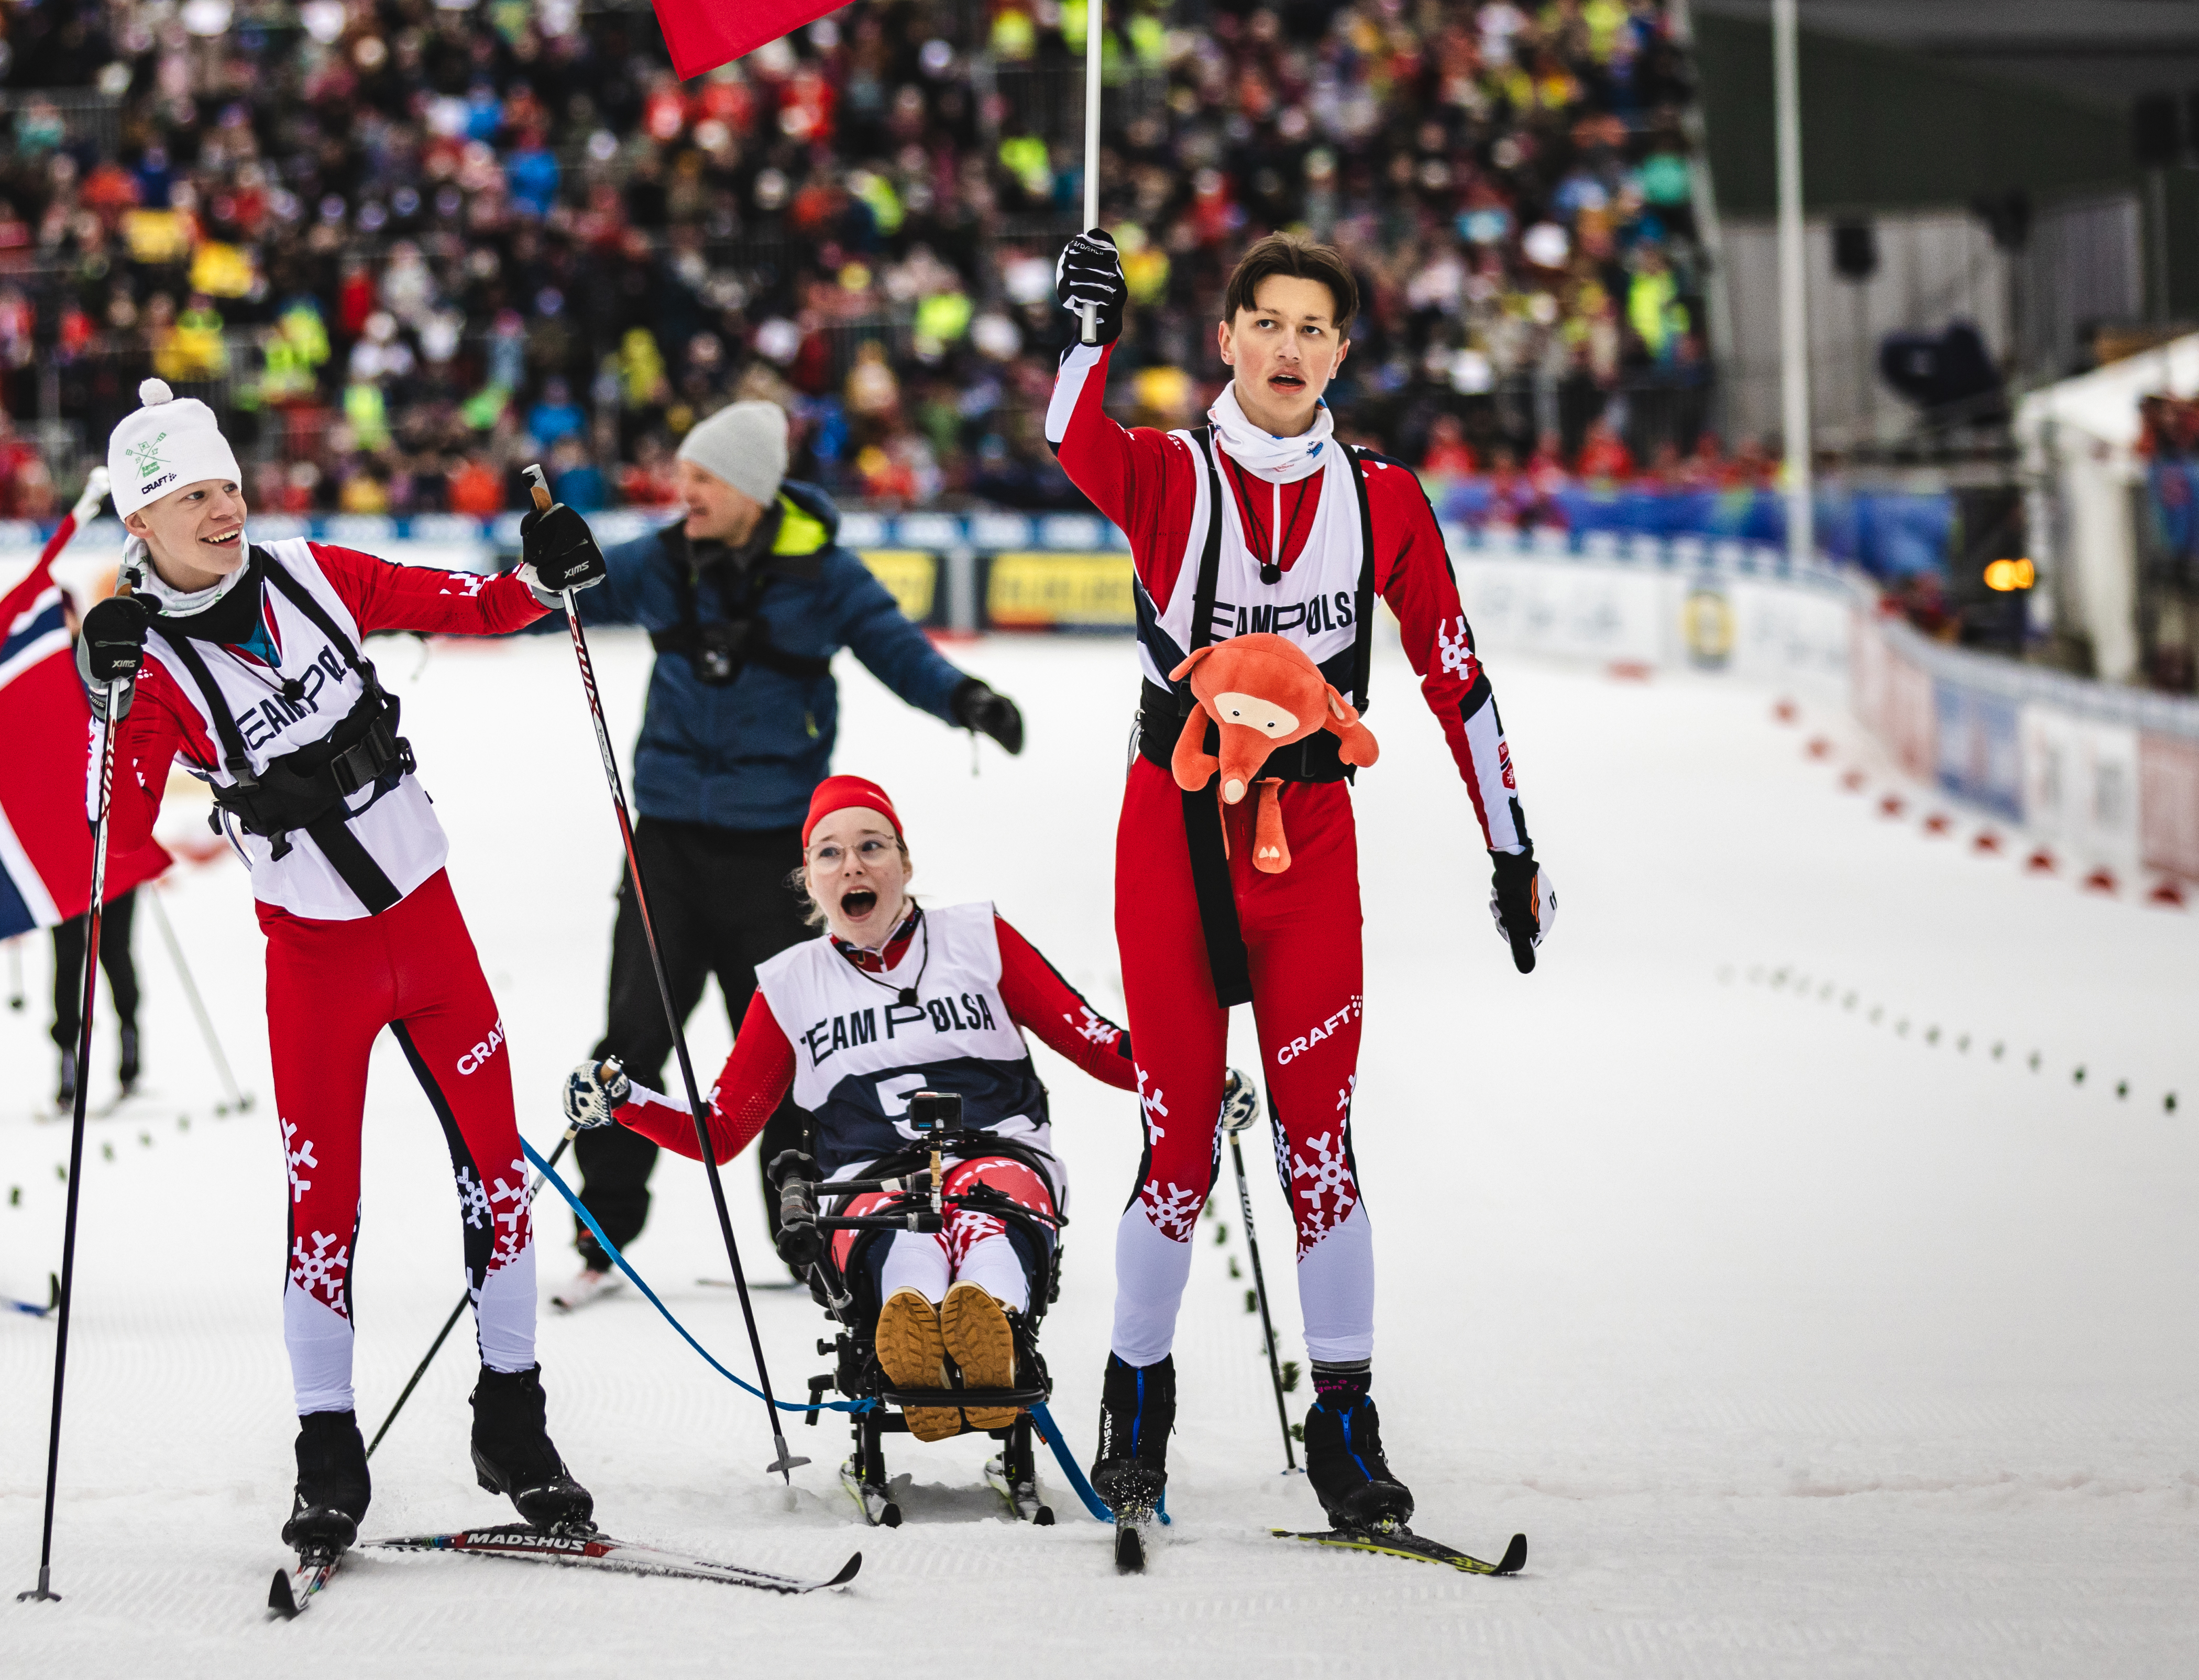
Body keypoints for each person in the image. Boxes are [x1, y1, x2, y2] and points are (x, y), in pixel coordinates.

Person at [1044, 228, 1559, 1532]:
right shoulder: (1169, 473)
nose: (1286, 348)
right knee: (1175, 1150)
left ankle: (1346, 1422)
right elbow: (1073, 443)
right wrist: (1087, 341)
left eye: (1313, 329)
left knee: (1315, 1145)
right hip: (1173, 837)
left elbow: (1456, 673)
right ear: (1226, 338)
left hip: (1308, 849)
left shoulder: (1382, 496)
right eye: (1264, 323)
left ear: (1342, 352)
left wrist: (1510, 845)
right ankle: (1136, 1401)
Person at [80, 378, 604, 1558]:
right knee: (324, 1210)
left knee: (496, 1177)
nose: (223, 509)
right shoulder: (149, 660)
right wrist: (105, 699)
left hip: (430, 933)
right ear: (141, 526)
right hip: (313, 961)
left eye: (227, 485)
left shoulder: (311, 571)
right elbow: (104, 826)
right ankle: (328, 1448)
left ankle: (511, 1419)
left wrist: (544, 575)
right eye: (190, 497)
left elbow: (466, 604)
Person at [553, 396, 1026, 1303]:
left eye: (701, 478)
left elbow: (895, 648)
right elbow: (567, 594)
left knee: (776, 1053)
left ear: (751, 489)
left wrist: (966, 698)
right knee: (634, 1035)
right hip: (668, 844)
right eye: (683, 475)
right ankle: (600, 1232)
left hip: (775, 848)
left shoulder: (824, 573)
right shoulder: (663, 558)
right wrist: (531, 579)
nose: (681, 490)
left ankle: (805, 1234)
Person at [562, 775, 1134, 1439]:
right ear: (809, 880)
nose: (853, 864)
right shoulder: (790, 983)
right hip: (868, 1174)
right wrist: (625, 1099)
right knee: (893, 1232)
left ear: (905, 862)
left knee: (987, 1216)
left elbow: (1094, 1042)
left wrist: (1191, 1076)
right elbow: (722, 1131)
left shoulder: (978, 937)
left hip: (997, 1152)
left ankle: (992, 1333)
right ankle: (911, 1337)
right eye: (829, 853)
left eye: (872, 845)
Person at [47, 886, 141, 1111]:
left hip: (111, 866)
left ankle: (129, 1051)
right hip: (68, 869)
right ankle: (69, 1059)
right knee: (70, 957)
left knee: (113, 949)